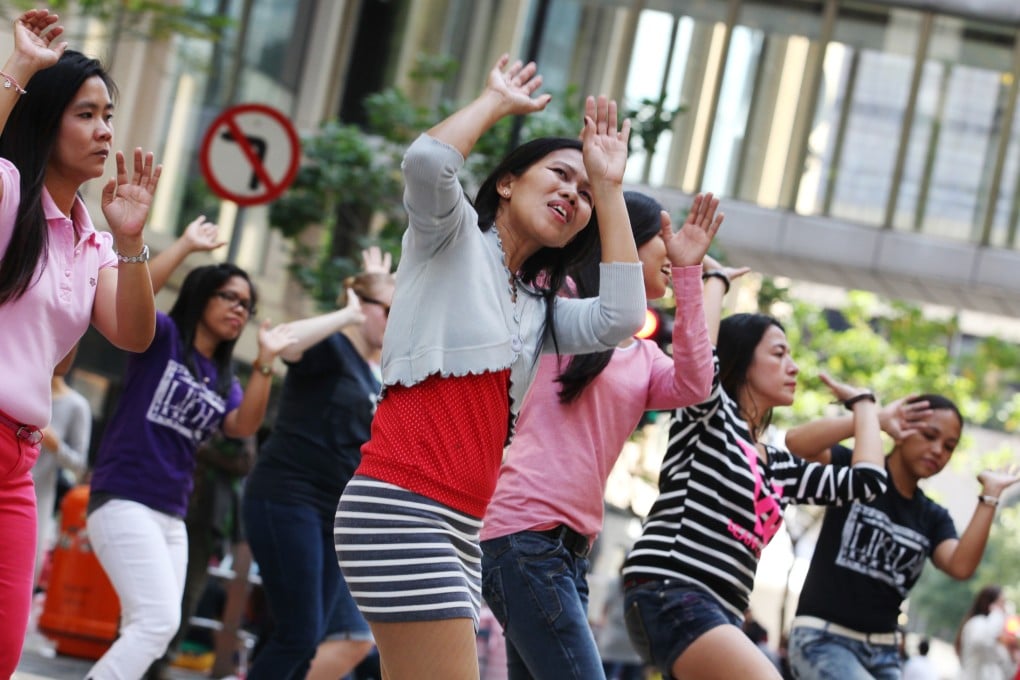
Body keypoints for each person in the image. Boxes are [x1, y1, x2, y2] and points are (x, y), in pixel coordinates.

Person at [334, 54, 647, 680]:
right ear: (507, 182)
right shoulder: (449, 240)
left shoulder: (541, 310)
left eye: (583, 195)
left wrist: (610, 191)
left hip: (459, 526)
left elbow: (621, 316)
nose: (572, 195)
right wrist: (496, 102)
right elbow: (427, 163)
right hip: (401, 504)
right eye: (560, 175)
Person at [479, 189, 722, 679]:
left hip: (570, 553)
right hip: (523, 536)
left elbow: (697, 385)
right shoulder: (556, 301)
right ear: (624, 242)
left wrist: (693, 274)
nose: (671, 252)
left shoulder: (643, 356)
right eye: (664, 238)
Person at [0, 9, 162, 674]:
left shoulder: (93, 241)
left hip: (17, 464)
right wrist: (18, 71)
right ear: (46, 120)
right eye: (86, 115)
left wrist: (131, 242)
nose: (105, 132)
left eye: (108, 115)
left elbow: (133, 332)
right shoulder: (10, 192)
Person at [621, 285, 891, 679]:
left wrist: (865, 404)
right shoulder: (710, 416)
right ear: (743, 360)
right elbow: (697, 357)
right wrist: (713, 282)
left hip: (722, 613)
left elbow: (867, 482)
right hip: (673, 589)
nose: (794, 367)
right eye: (779, 354)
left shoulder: (780, 465)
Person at [84, 219, 297, 680]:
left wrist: (264, 362)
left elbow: (244, 424)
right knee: (155, 622)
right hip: (123, 498)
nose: (240, 310)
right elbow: (130, 294)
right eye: (231, 298)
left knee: (158, 629)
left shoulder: (222, 378)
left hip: (172, 515)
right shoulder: (161, 338)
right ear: (204, 295)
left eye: (248, 305)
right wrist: (184, 245)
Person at [784, 395, 1020, 680]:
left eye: (949, 446)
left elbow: (960, 566)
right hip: (823, 639)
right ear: (902, 427)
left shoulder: (933, 517)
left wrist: (990, 495)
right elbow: (797, 443)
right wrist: (874, 418)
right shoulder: (859, 471)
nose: (937, 451)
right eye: (929, 435)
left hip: (884, 652)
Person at [244, 247, 393, 680]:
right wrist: (348, 313)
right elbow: (283, 340)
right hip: (288, 497)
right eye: (388, 311)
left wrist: (378, 285)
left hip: (332, 513)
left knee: (310, 641)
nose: (394, 320)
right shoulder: (327, 351)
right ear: (363, 309)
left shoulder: (369, 371)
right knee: (300, 634)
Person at [33, 351, 92, 586]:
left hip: (38, 499)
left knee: (24, 573)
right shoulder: (17, 390)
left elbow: (79, 464)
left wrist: (55, 445)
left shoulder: (76, 405)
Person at [955, 586, 1017, 680]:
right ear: (991, 604)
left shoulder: (996, 634)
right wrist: (997, 616)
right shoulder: (977, 623)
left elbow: (1007, 674)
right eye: (1001, 602)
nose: (1004, 608)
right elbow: (981, 641)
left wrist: (1012, 657)